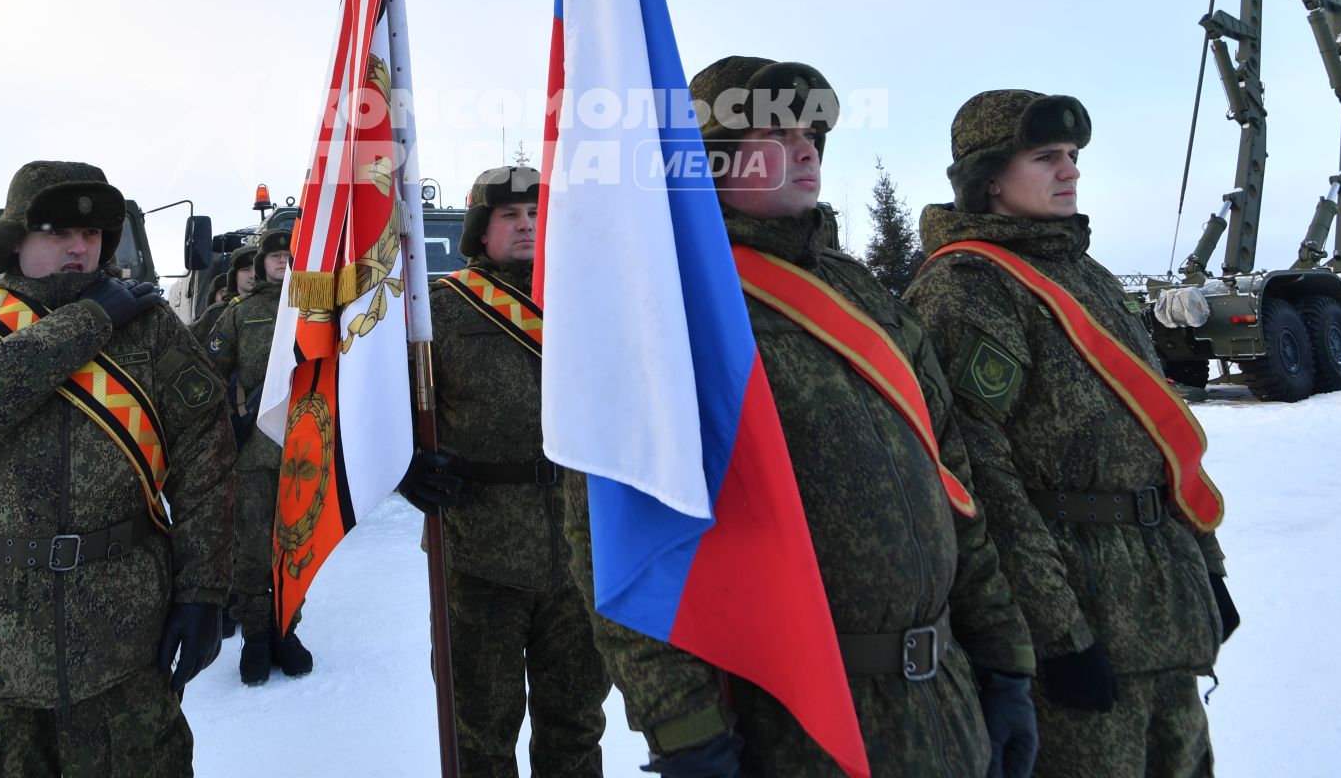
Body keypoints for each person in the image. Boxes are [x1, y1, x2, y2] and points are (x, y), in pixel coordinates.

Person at [567, 58, 1037, 778]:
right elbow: (621, 539)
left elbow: (953, 482)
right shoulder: (666, 310)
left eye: (812, 129)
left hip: (945, 705)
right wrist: (685, 727)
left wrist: (1005, 658)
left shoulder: (861, 295)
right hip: (790, 723)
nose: (807, 145)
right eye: (776, 130)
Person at [905, 92, 1235, 777]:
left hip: (1159, 604)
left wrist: (1207, 565)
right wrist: (1057, 636)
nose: (1071, 172)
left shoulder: (1087, 275)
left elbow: (1159, 440)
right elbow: (981, 479)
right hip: (1078, 617)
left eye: (1074, 156)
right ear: (990, 177)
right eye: (1046, 157)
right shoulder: (967, 289)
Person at [0, 160, 236, 776]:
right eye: (58, 231)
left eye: (95, 233)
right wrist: (90, 320)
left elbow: (206, 467)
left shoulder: (153, 332)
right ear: (16, 241)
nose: (81, 246)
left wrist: (204, 594)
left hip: (121, 631)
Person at [398, 166, 612, 777]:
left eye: (536, 214)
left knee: (575, 725)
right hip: (477, 552)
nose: (526, 225)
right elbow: (386, 409)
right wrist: (405, 465)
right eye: (509, 216)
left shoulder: (591, 303)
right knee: (479, 729)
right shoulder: (436, 310)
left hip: (580, 549)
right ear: (480, 231)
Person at [203, 226, 312, 684]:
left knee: (296, 544)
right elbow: (210, 372)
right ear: (263, 262)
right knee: (251, 548)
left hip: (305, 446)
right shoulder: (241, 314)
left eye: (291, 255)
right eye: (275, 257)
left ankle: (286, 629)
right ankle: (255, 635)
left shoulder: (316, 310)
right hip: (253, 451)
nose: (283, 263)